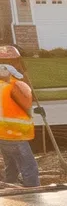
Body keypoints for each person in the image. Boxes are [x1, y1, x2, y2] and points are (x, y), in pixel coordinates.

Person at [0, 47, 39, 190]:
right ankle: (33, 191)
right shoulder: (14, 84)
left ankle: (9, 185)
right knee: (28, 166)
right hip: (15, 134)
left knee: (11, 163)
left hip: (3, 133)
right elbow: (27, 99)